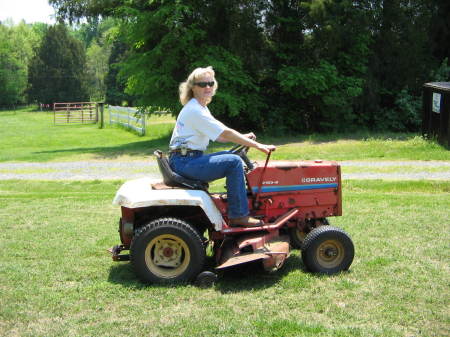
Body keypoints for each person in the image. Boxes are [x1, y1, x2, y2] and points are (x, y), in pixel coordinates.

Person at [169, 66, 276, 227]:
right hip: (186, 162)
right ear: (193, 87)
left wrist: (243, 138)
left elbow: (219, 135)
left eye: (210, 83)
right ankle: (239, 215)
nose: (207, 87)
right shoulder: (195, 110)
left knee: (230, 155)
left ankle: (237, 204)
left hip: (185, 159)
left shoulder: (199, 107)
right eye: (202, 84)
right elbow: (225, 133)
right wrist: (257, 145)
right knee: (233, 162)